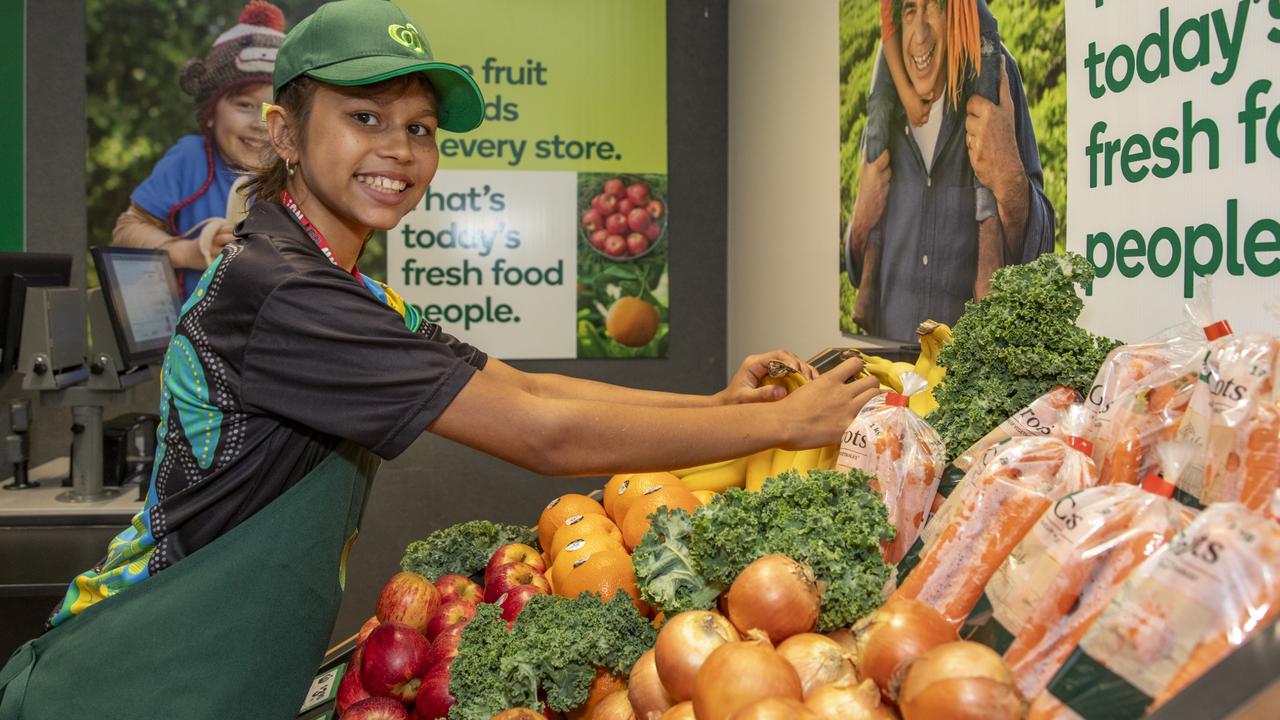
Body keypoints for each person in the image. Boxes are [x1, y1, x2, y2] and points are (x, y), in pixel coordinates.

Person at [0, 1, 880, 715]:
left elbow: (519, 385)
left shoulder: (322, 277)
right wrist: (785, 421)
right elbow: (540, 433)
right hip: (133, 679)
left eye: (419, 127)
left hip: (201, 676)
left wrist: (726, 412)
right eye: (364, 117)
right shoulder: (289, 294)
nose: (399, 148)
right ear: (286, 133)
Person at [847, 0, 1056, 341]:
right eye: (911, 10)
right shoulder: (886, 92)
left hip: (970, 383)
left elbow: (1042, 254)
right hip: (889, 372)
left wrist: (1006, 175)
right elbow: (849, 261)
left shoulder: (996, 73)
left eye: (934, 8)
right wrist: (862, 220)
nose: (920, 34)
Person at [111, 1, 285, 301]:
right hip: (191, 341)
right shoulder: (190, 159)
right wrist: (189, 252)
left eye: (272, 109)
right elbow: (127, 231)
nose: (260, 124)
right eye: (244, 105)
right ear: (210, 113)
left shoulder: (297, 172)